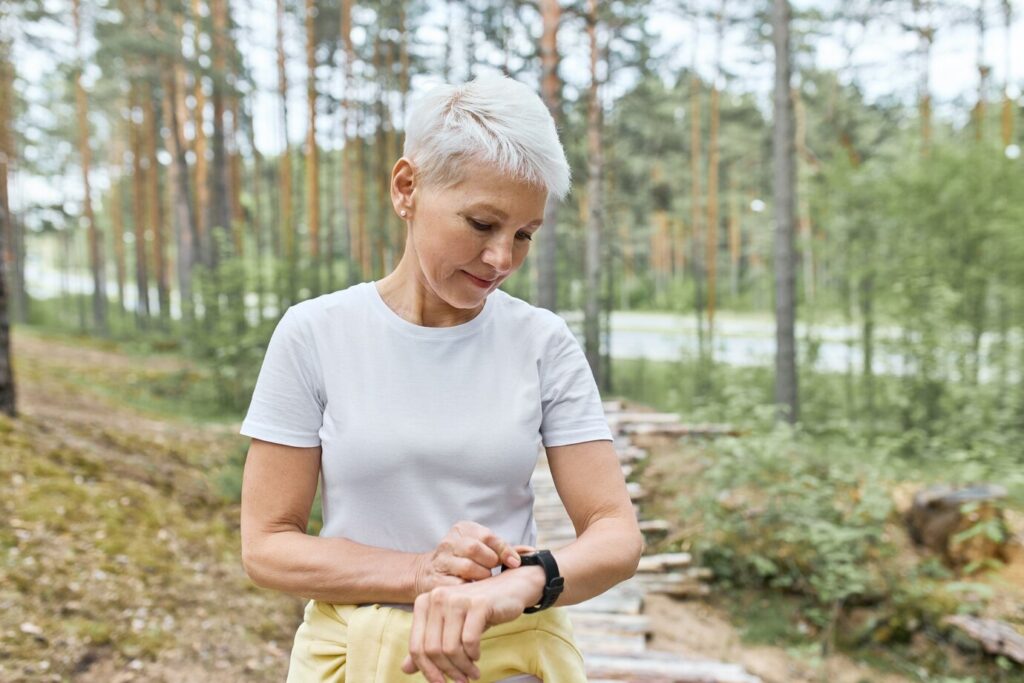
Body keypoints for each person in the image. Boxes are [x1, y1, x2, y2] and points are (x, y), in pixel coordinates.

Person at [238, 71, 643, 683]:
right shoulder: (315, 333)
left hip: (504, 655)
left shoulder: (542, 343)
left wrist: (520, 586)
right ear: (408, 187)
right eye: (482, 224)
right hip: (350, 660)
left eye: (525, 234)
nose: (503, 258)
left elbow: (615, 534)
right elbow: (267, 544)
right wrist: (421, 572)